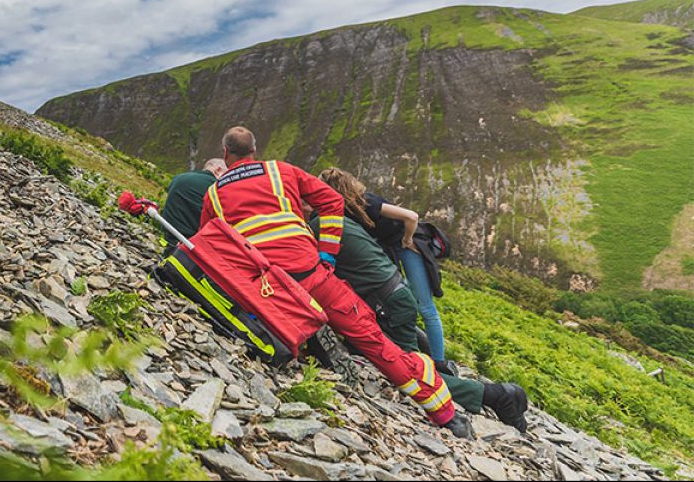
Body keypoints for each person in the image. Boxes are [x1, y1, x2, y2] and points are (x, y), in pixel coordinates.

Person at [199, 127, 470, 437]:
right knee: (372, 338)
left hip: (272, 287)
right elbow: (332, 202)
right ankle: (447, 417)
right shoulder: (281, 171)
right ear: (254, 151)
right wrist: (327, 254)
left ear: (225, 154)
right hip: (313, 274)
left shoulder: (214, 195)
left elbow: (212, 244)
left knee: (287, 332)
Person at [305, 209, 530, 431]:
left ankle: (496, 396)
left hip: (385, 303)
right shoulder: (340, 219)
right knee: (398, 353)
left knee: (409, 371)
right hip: (396, 293)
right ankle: (476, 384)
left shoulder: (318, 227)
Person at [319, 168, 448, 367]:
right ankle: (418, 348)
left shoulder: (366, 202)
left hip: (406, 246)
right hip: (387, 248)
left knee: (425, 306)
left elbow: (411, 217)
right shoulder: (344, 209)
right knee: (402, 297)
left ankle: (440, 363)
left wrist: (407, 239)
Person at [159, 158, 226, 251]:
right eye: (226, 174)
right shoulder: (215, 186)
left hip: (169, 241)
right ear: (218, 170)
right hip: (193, 247)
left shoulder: (178, 178)